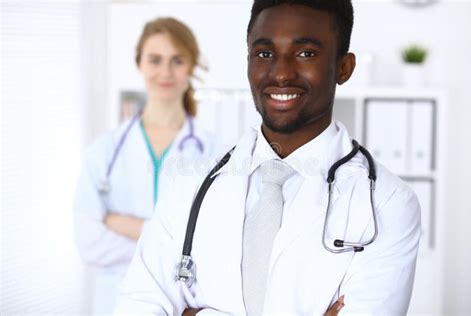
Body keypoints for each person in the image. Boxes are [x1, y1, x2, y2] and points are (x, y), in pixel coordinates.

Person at [114, 1, 421, 315]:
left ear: (344, 67)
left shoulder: (387, 203)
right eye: (264, 54)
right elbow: (137, 306)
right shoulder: (189, 185)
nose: (282, 73)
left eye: (306, 53)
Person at [74, 17, 222, 315]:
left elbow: (216, 243)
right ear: (140, 63)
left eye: (177, 60)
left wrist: (126, 225)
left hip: (184, 307)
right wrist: (176, 250)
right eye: (155, 60)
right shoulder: (104, 151)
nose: (165, 72)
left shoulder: (215, 153)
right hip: (114, 303)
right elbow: (89, 243)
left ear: (191, 66)